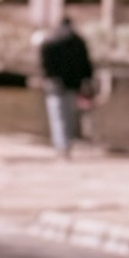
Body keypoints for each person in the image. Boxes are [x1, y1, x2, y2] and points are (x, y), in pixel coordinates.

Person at [37, 15, 94, 155]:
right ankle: (66, 143)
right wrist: (86, 80)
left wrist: (47, 77)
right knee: (69, 115)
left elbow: (44, 64)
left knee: (58, 114)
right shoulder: (78, 42)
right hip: (73, 84)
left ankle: (61, 144)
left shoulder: (50, 41)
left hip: (55, 83)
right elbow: (86, 64)